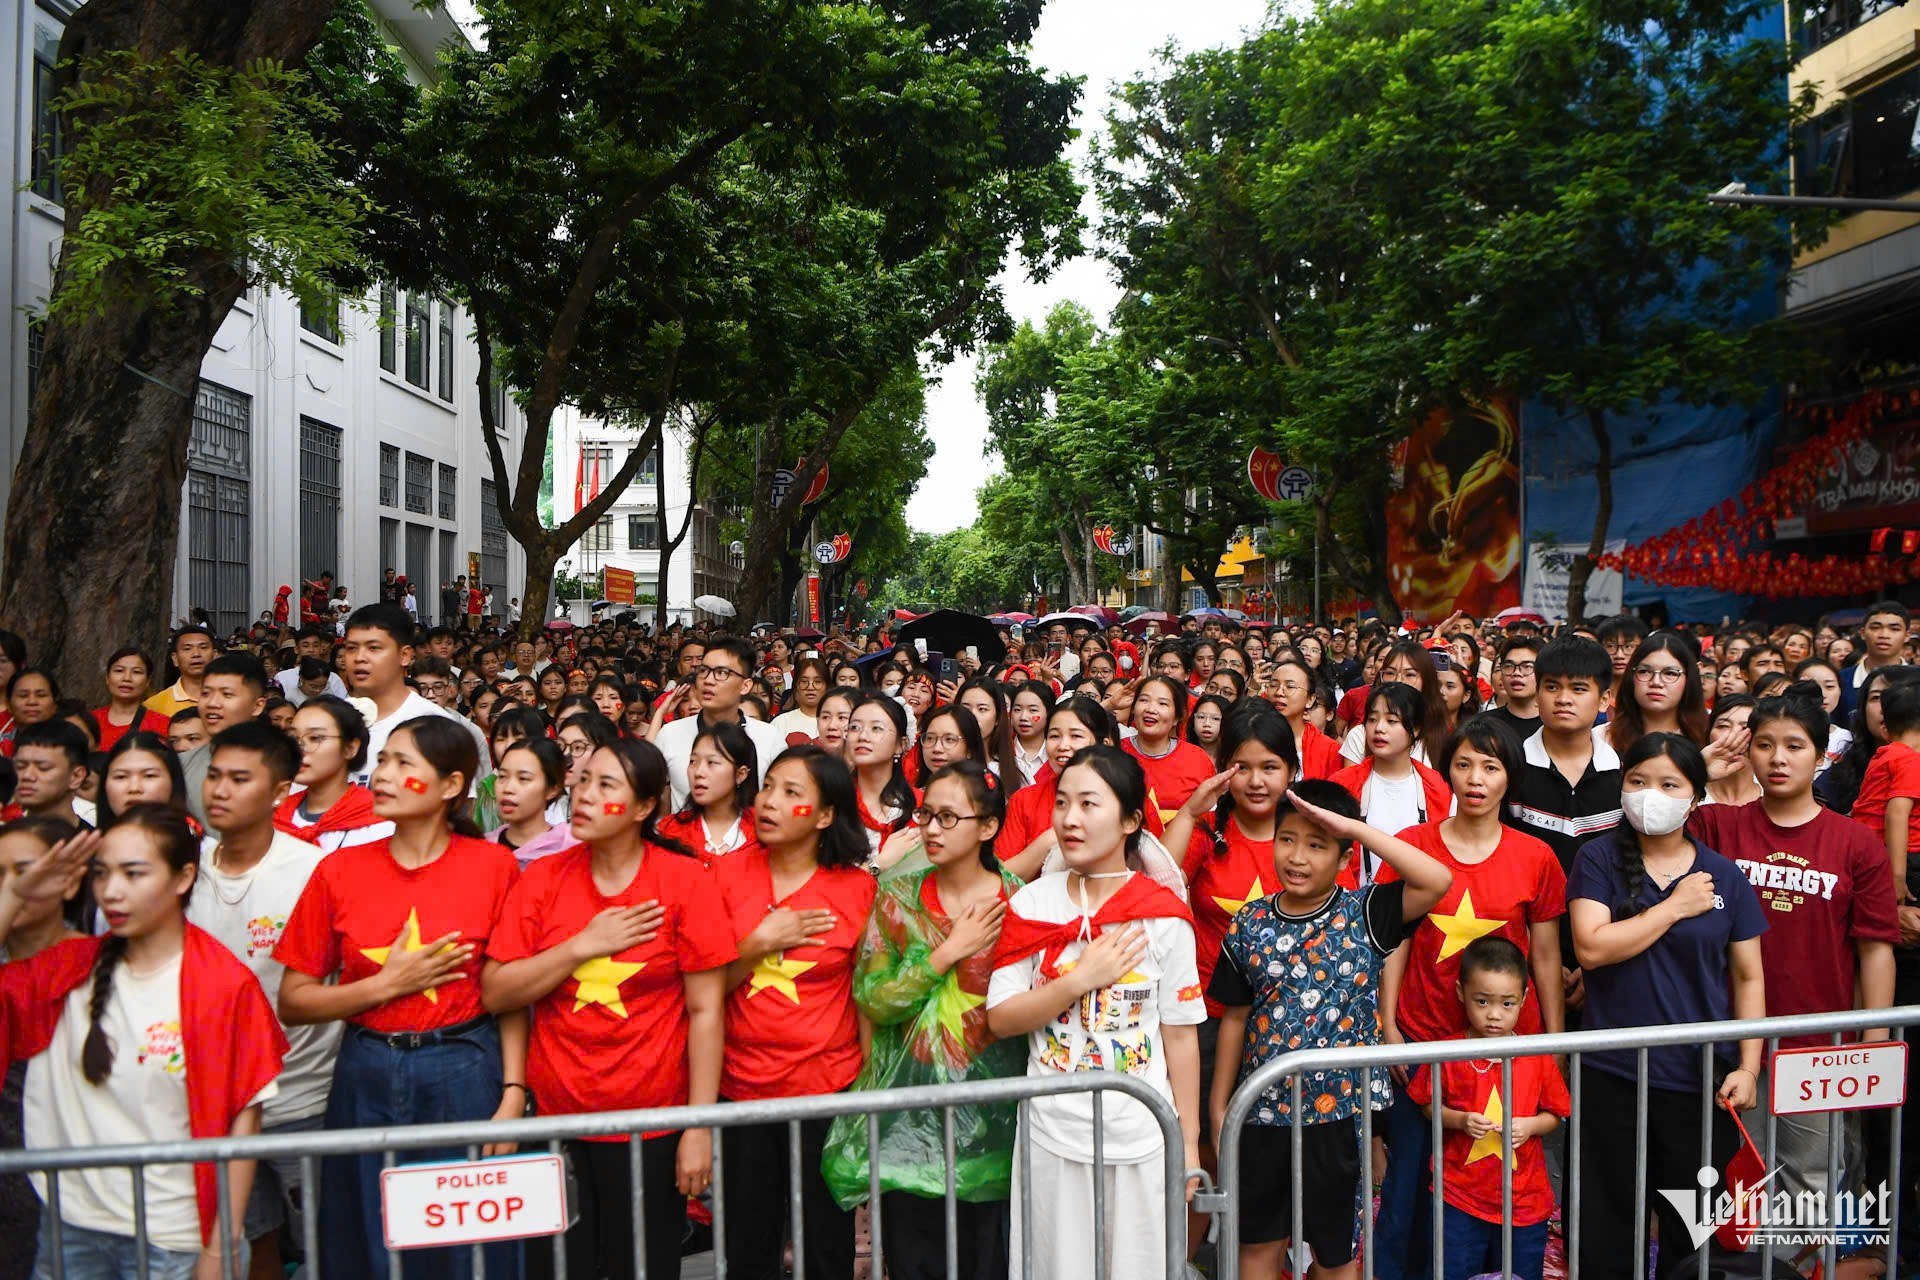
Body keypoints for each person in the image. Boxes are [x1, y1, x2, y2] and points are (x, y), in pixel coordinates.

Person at [274, 717, 526, 1280]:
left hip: (466, 1068)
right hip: (366, 1070)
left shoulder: (495, 867)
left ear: (451, 785)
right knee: (368, 1234)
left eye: (402, 764)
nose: (381, 776)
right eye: (381, 761)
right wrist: (383, 986)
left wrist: (513, 1094)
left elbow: (509, 993)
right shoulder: (337, 871)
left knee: (468, 1247)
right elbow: (294, 999)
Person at [484, 739, 734, 1280]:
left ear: (645, 807)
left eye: (605, 785)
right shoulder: (544, 880)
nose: (583, 794)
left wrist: (698, 1125)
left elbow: (706, 1011)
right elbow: (498, 991)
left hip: (652, 1123)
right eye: (582, 780)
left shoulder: (685, 882)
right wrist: (580, 946)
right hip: (558, 1119)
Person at [0, 812, 286, 1280]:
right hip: (71, 1226)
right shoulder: (66, 972)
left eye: (133, 874)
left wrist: (221, 1248)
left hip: (173, 1239)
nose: (112, 891)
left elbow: (244, 1120)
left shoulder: (222, 985)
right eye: (101, 874)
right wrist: (13, 895)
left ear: (183, 877)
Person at [1207, 779, 1452, 1280]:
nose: (1297, 857)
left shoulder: (1366, 914)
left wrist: (1354, 828)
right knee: (1257, 1249)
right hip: (1261, 1115)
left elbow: (1436, 880)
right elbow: (1235, 1018)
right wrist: (1218, 1109)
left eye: (1317, 844)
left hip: (1341, 1119)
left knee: (1336, 1257)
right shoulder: (1250, 923)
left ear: (1344, 857)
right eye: (1287, 839)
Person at [986, 745, 1207, 1280]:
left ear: (1132, 819)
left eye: (1089, 804)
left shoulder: (1163, 916)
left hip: (1142, 1132)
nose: (1070, 819)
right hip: (1050, 1132)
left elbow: (1179, 1037)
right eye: (1062, 803)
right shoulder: (1032, 905)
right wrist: (1080, 980)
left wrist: (1191, 1145)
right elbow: (1001, 1017)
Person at [1689, 682, 1898, 1247]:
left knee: (1810, 1188)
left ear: (1821, 752)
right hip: (1728, 1039)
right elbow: (1644, 836)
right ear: (1746, 750)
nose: (1778, 759)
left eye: (1795, 745)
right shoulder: (1717, 826)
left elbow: (1876, 947)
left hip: (1819, 1046)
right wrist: (1699, 770)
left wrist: (1872, 1041)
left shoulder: (1856, 843)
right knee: (1729, 1187)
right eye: (1764, 744)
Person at [1371, 715, 1567, 1280]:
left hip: (1508, 1052)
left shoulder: (1536, 857)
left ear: (1510, 777)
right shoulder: (1413, 846)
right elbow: (1394, 940)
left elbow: (1547, 955)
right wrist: (1388, 1026)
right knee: (1407, 1180)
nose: (1476, 779)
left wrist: (1550, 1040)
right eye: (1463, 764)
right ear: (1446, 772)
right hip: (1422, 1041)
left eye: (1491, 765)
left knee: (1501, 1184)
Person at [1566, 733, 1765, 1280]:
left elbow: (1748, 977)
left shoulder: (1724, 875)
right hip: (1612, 1074)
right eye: (1637, 781)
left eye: (1668, 784)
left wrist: (1749, 1067)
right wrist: (1674, 907)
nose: (1650, 794)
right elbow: (1593, 947)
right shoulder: (1598, 858)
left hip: (1699, 1080)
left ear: (1695, 798)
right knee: (1604, 1224)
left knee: (1695, 1229)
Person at [823, 761, 1026, 1280]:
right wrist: (946, 954)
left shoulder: (1021, 902)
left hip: (993, 1133)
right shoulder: (897, 899)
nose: (931, 829)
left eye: (948, 818)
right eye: (926, 814)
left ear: (988, 827)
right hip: (908, 1130)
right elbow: (874, 998)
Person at [716, 746, 877, 1280]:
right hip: (741, 1090)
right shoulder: (721, 877)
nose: (769, 802)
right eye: (767, 788)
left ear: (826, 814)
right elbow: (700, 991)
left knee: (827, 1247)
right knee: (749, 1245)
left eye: (792, 794)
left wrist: (871, 1093)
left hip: (826, 1089)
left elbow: (865, 999)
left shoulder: (857, 889)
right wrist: (757, 944)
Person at [191, 722, 340, 1280]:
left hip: (305, 1101)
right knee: (256, 1249)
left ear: (281, 791)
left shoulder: (313, 873)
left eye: (239, 779)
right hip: (218, 1105)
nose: (220, 791)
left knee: (326, 1247)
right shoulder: (185, 870)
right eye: (213, 777)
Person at [1403, 937, 1569, 1280]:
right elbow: (1427, 1107)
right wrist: (1459, 1120)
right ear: (1462, 992)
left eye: (1507, 1004)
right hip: (1460, 1198)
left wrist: (1531, 1126)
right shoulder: (1448, 1051)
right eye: (1482, 1001)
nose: (1494, 1015)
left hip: (1524, 1202)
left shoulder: (1536, 1052)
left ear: (1524, 999)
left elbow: (1555, 1114)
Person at [0, 816, 83, 1280]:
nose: (13, 887)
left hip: (80, 1196)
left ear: (69, 881)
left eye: (25, 872)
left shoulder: (98, 964)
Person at [339, 604, 488, 786]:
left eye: (374, 648)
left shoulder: (433, 724)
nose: (359, 658)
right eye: (351, 648)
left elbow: (462, 806)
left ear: (405, 655)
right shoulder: (330, 722)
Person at [1328, 683, 1452, 882]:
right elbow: (1329, 854)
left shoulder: (1438, 787)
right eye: (1372, 719)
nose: (1379, 728)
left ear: (1417, 729)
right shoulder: (1341, 785)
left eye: (1391, 721)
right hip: (1356, 905)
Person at [651, 637, 788, 809]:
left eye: (722, 673)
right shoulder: (670, 734)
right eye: (703, 670)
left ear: (745, 686)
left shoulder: (769, 737)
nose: (708, 680)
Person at [275, 696, 393, 852]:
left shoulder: (380, 821)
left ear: (350, 748)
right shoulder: (275, 814)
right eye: (294, 738)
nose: (300, 749)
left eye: (315, 738)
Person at [178, 653, 271, 829]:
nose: (212, 703)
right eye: (206, 693)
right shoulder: (180, 765)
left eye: (227, 694)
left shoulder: (279, 763)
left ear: (258, 706)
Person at [1851, 676, 1920, 904]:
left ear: (1885, 729)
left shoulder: (1885, 755)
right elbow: (1897, 813)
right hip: (1905, 857)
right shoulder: (1911, 761)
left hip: (1871, 851)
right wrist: (1897, 876)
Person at [655, 722, 760, 860]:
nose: (698, 772)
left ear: (741, 774)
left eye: (712, 762)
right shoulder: (669, 831)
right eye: (693, 761)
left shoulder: (764, 832)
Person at [1123, 675, 1219, 826]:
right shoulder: (1115, 753)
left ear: (1177, 717)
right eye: (1143, 700)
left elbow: (1211, 820)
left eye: (1162, 703)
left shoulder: (1197, 759)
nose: (1150, 709)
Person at [847, 693, 917, 864]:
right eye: (854, 727)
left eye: (876, 728)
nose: (862, 736)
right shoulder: (832, 803)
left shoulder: (921, 805)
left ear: (901, 745)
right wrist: (879, 865)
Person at [488, 738, 573, 865]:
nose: (508, 788)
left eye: (523, 778)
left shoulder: (572, 850)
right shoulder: (481, 849)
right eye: (502, 776)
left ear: (552, 789)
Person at [1267, 657, 1343, 780]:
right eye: (1273, 685)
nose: (1279, 692)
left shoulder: (1330, 750)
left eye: (1290, 686)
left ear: (1310, 700)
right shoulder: (1253, 738)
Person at [92, 649, 172, 752]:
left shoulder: (163, 725)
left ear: (148, 681)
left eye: (136, 672)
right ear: (107, 678)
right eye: (119, 671)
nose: (127, 678)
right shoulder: (90, 722)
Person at [144, 626, 217, 718]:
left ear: (215, 655)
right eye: (187, 649)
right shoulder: (155, 706)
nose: (196, 654)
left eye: (203, 647)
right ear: (175, 659)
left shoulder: (234, 698)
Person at [770, 656, 831, 744]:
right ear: (796, 687)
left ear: (827, 687)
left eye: (817, 682)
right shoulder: (781, 723)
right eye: (804, 681)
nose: (810, 687)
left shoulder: (838, 723)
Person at [1009, 682, 1053, 785]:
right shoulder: (1000, 752)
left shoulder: (1058, 754)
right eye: (1017, 710)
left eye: (1033, 710)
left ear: (1049, 713)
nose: (1023, 717)